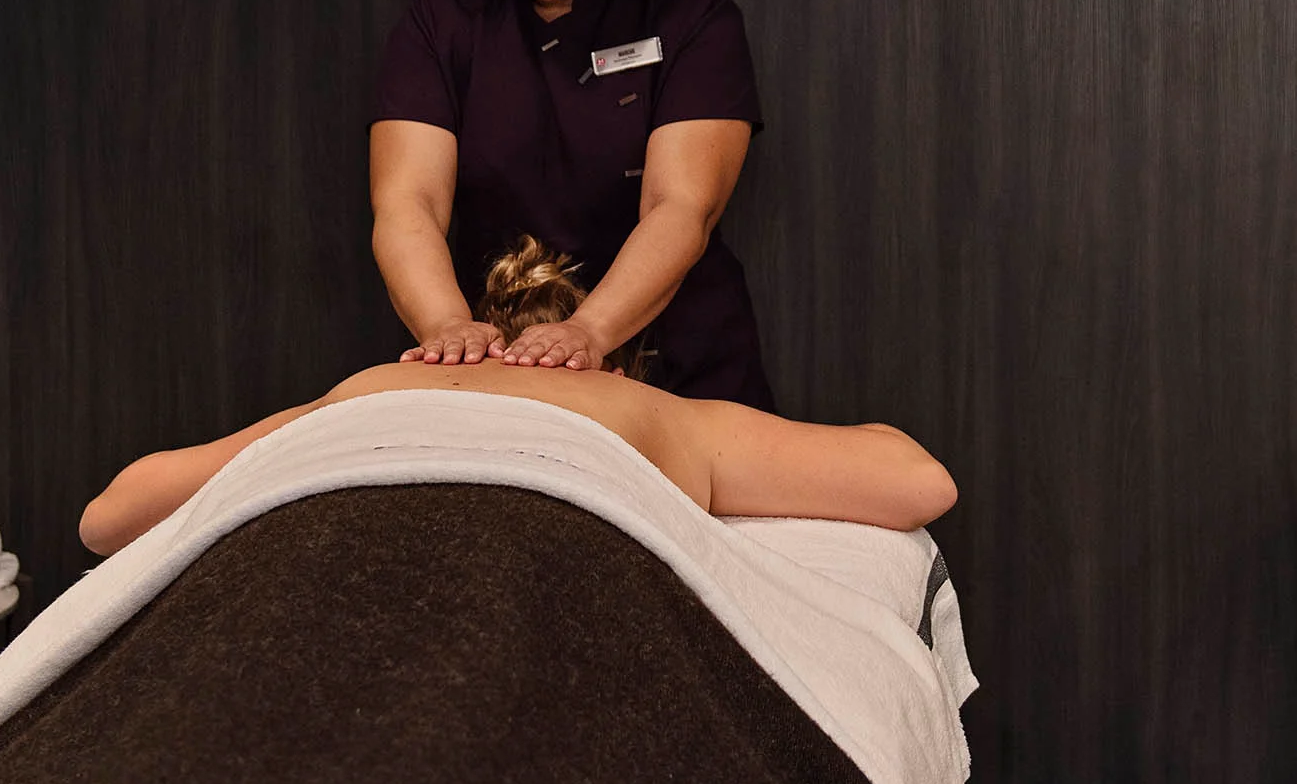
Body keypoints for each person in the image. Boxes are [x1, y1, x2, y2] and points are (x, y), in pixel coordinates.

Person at [81, 238, 952, 556]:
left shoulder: (372, 389)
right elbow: (917, 482)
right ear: (615, 367)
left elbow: (109, 517)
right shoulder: (640, 408)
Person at [370, 0, 776, 410]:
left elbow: (681, 208)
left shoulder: (691, 13)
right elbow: (406, 204)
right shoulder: (442, 20)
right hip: (498, 373)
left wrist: (590, 331)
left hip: (679, 375)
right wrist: (446, 327)